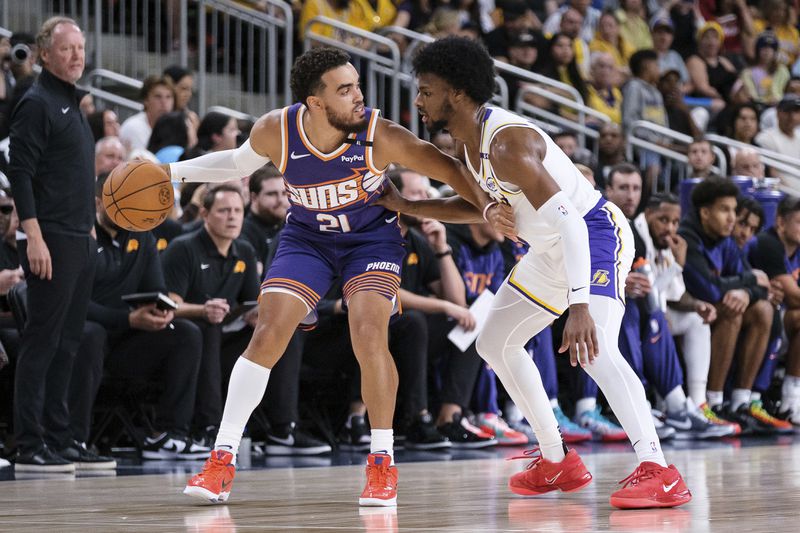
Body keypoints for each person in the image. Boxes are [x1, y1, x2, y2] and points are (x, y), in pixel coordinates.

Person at [167, 47, 507, 506]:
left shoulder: (379, 135)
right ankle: (221, 459)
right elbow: (234, 164)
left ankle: (382, 463)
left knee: (369, 333)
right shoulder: (277, 130)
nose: (359, 96)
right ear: (315, 102)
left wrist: (489, 205)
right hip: (307, 238)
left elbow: (448, 168)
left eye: (357, 85)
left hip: (371, 242)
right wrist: (169, 172)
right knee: (267, 333)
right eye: (345, 90)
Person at [389, 36, 691, 509]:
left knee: (594, 351)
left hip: (594, 235)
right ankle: (557, 460)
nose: (419, 100)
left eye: (427, 90)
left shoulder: (507, 141)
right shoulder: (468, 145)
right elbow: (473, 204)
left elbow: (571, 220)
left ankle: (660, 469)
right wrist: (407, 204)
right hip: (550, 248)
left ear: (459, 94)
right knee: (493, 341)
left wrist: (579, 304)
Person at [8, 17, 103, 472]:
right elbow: (21, 173)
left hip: (78, 236)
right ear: (45, 54)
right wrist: (34, 235)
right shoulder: (37, 102)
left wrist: (89, 224)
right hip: (50, 238)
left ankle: (60, 436)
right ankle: (28, 442)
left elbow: (71, 174)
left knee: (68, 342)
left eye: (81, 48)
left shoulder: (73, 103)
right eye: (67, 49)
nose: (77, 56)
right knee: (42, 340)